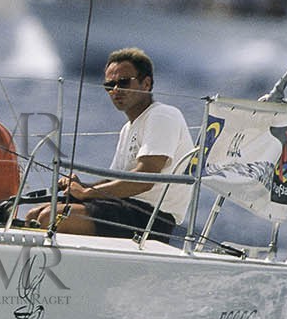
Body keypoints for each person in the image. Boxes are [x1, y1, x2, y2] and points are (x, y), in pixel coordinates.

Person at [28, 47, 195, 240]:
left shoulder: (162, 115)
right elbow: (114, 180)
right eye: (109, 85)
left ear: (146, 84)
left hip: (150, 218)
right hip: (125, 208)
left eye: (123, 82)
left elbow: (145, 179)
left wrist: (87, 193)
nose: (115, 90)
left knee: (49, 217)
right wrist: (81, 186)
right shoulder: (128, 128)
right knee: (33, 214)